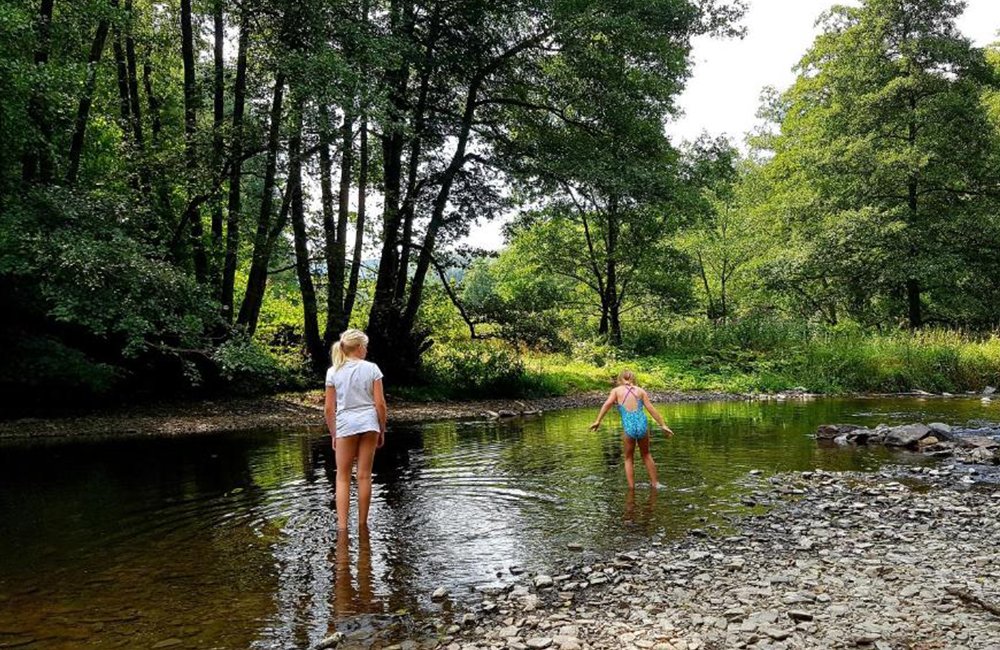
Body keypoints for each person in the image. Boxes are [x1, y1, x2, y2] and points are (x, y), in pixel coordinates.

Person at [324, 329, 387, 530]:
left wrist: (334, 433)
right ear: (359, 347)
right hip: (369, 423)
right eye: (365, 346)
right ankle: (362, 524)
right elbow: (380, 404)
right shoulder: (372, 369)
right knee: (364, 476)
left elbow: (328, 408)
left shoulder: (333, 371)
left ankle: (342, 527)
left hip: (345, 424)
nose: (367, 350)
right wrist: (382, 428)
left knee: (342, 477)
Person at [589, 370, 674, 490]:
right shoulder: (640, 391)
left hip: (628, 426)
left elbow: (607, 404)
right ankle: (655, 483)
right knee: (646, 454)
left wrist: (598, 421)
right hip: (642, 425)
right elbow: (651, 408)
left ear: (619, 380)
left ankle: (631, 488)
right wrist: (663, 425)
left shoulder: (616, 391)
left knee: (628, 458)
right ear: (634, 379)